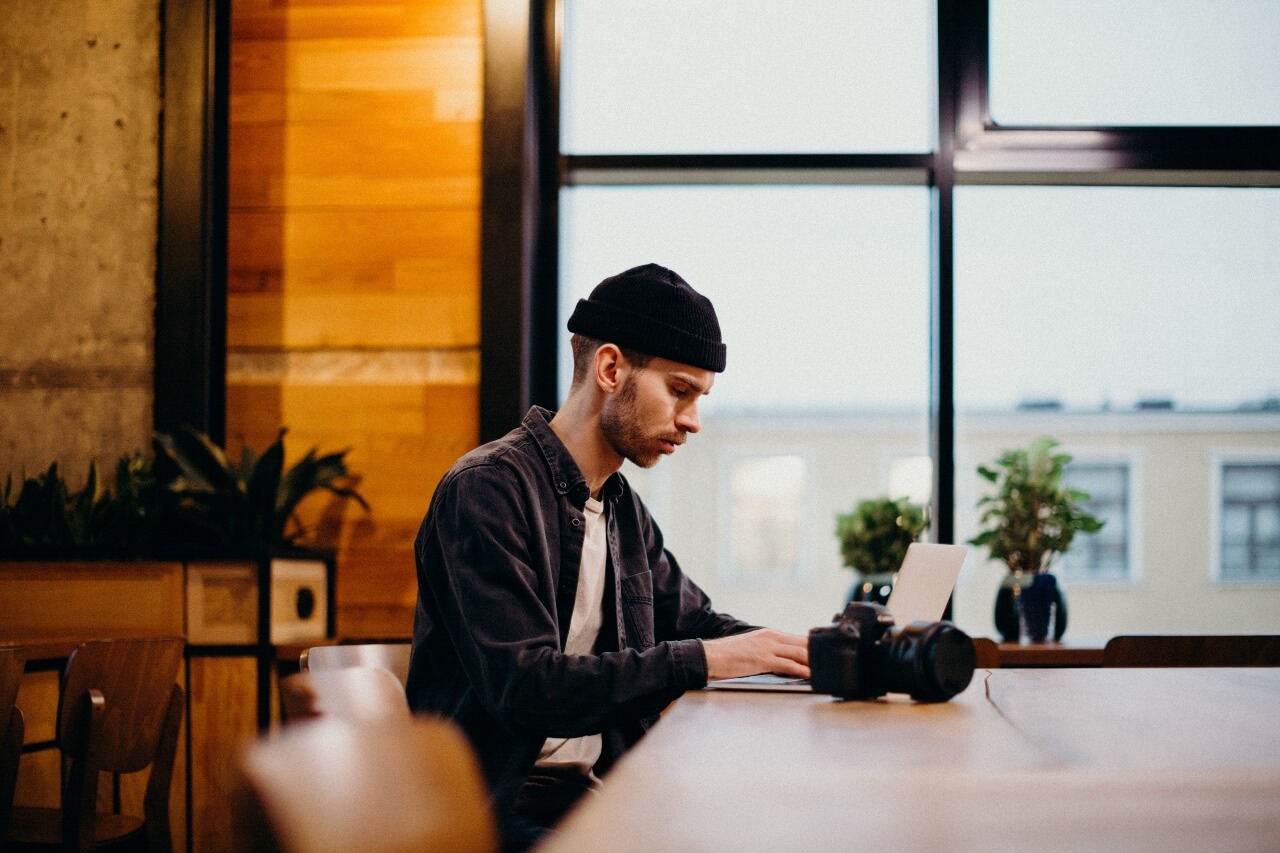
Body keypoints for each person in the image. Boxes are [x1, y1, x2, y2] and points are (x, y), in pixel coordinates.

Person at [405, 263, 809, 849]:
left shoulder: (620, 509)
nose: (693, 421)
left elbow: (697, 624)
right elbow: (529, 689)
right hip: (492, 813)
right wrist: (706, 658)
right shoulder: (487, 490)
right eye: (679, 390)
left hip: (596, 797)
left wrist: (805, 653)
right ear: (612, 368)